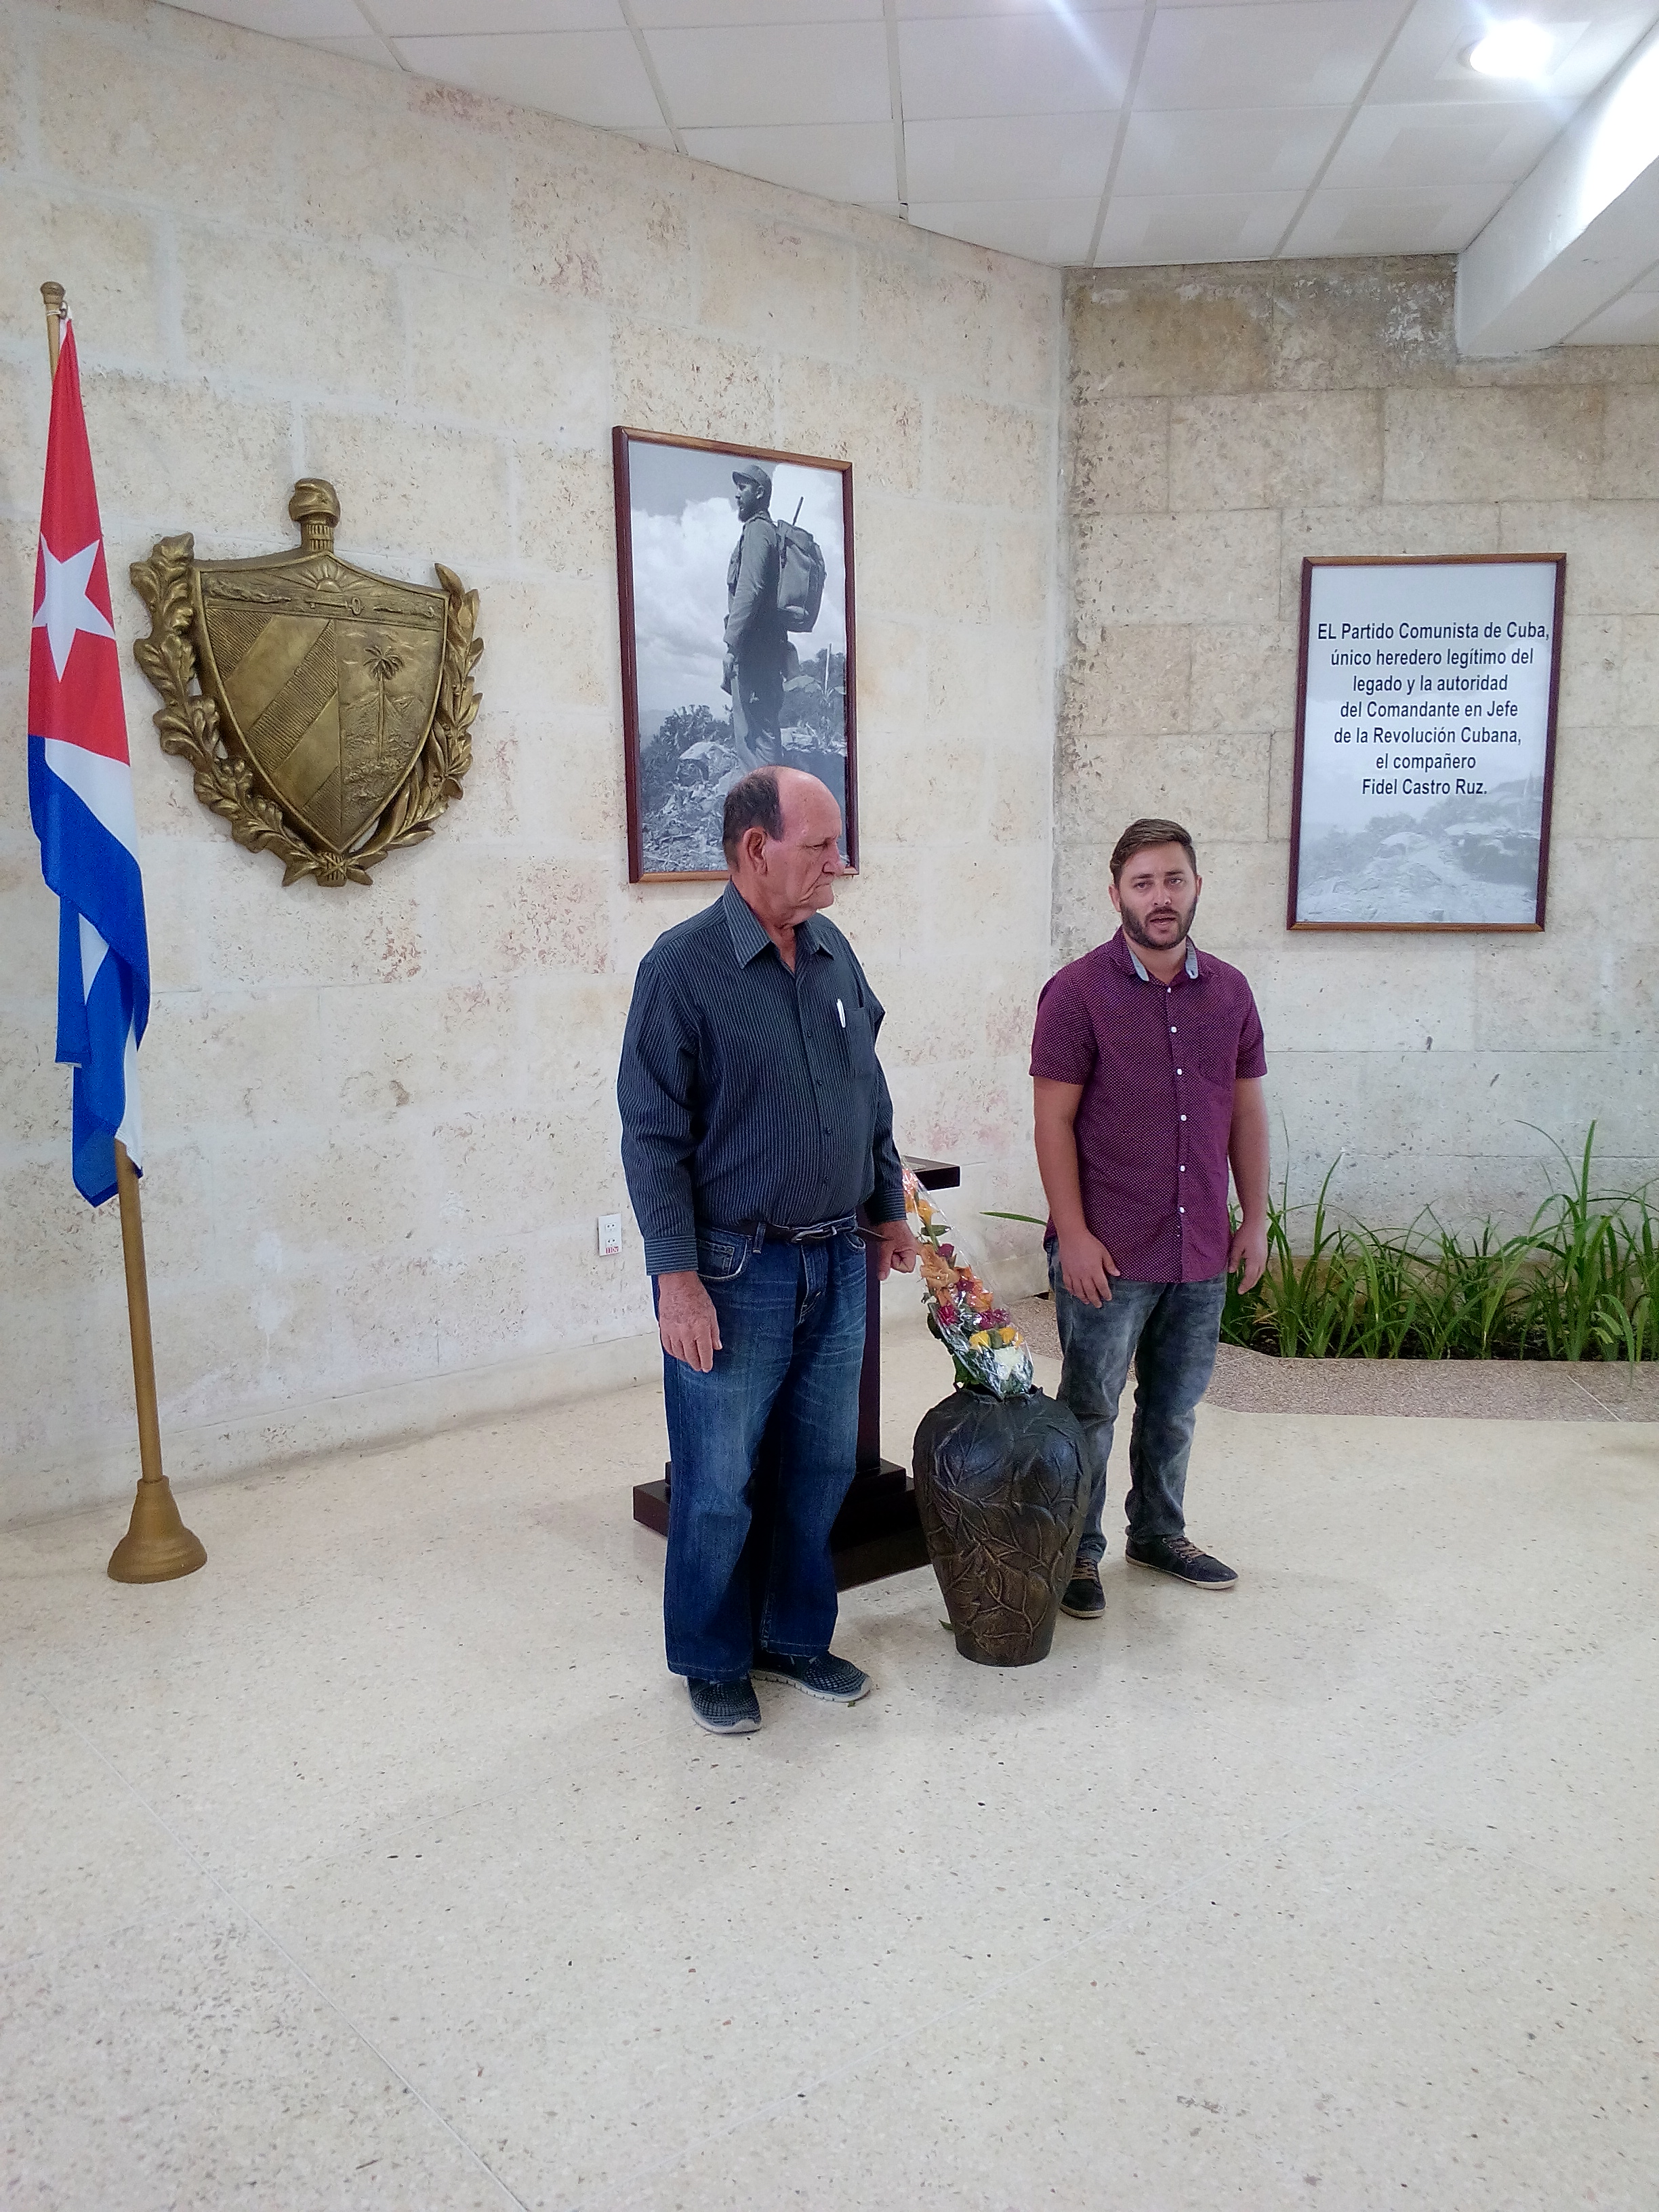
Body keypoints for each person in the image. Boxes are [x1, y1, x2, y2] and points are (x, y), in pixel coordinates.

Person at [617, 764, 918, 1734]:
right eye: (821, 845)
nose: (841, 862)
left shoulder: (833, 952)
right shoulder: (681, 969)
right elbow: (652, 1137)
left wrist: (887, 1208)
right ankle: (712, 1657)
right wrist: (677, 1281)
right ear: (757, 849)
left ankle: (794, 1638)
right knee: (715, 1487)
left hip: (838, 1264)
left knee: (822, 1467)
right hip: (735, 1273)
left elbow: (866, 1092)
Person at [1029, 817, 1269, 1614]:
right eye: (1143, 883)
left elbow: (1244, 1112)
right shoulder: (1076, 994)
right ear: (1116, 895)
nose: (1160, 898)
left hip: (1198, 1244)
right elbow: (1052, 1122)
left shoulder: (1230, 991)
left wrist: (1254, 1218)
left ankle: (1160, 1533)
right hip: (1109, 1248)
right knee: (1090, 1409)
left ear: (1196, 886)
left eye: (1173, 880)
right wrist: (1075, 1235)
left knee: (1174, 1407)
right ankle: (1077, 1552)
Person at [723, 460, 788, 771]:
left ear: (759, 493)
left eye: (743, 487)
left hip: (754, 651)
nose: (738, 495)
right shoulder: (765, 532)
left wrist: (731, 646)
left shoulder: (758, 531)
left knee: (754, 737)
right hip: (765, 649)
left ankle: (765, 811)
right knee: (761, 731)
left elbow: (749, 591)